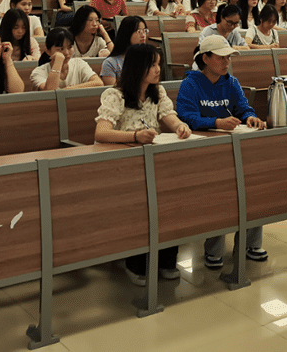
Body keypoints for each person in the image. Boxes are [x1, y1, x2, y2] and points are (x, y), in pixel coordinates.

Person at [94, 43, 191, 285]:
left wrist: (180, 127)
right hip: (122, 165)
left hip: (152, 161)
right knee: (140, 205)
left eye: (159, 64)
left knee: (171, 199)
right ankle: (135, 263)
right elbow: (101, 133)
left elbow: (169, 117)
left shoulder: (157, 92)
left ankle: (167, 260)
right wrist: (135, 136)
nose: (158, 70)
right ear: (138, 67)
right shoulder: (115, 95)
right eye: (153, 65)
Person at [174, 34, 267, 267]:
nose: (226, 63)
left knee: (254, 184)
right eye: (221, 58)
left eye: (229, 58)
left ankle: (251, 243)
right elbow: (186, 117)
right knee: (221, 192)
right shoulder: (190, 84)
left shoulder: (231, 82)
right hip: (201, 150)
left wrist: (251, 117)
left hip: (232, 146)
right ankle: (214, 249)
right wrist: (216, 123)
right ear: (205, 58)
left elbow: (243, 108)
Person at [30, 28, 103, 90]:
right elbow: (50, 92)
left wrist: (68, 90)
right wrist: (58, 62)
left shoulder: (79, 63)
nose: (66, 53)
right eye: (61, 49)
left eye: (70, 47)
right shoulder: (38, 72)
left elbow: (98, 83)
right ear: (48, 51)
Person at [100, 16, 149, 85]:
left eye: (144, 31)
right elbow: (112, 90)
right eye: (139, 31)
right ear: (127, 33)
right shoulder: (110, 63)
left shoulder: (148, 58)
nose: (143, 35)